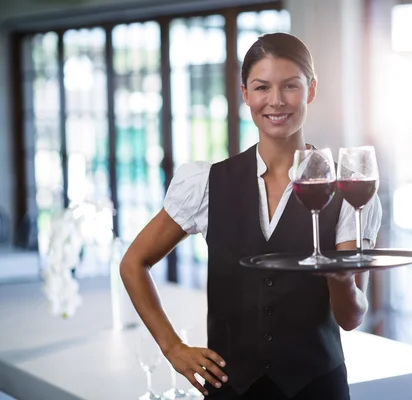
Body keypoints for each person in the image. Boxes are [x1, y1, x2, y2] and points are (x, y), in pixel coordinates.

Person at [120, 32, 382, 400]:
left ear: (310, 89)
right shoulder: (206, 183)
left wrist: (340, 280)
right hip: (229, 390)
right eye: (262, 87)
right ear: (244, 94)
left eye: (290, 86)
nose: (276, 101)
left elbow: (351, 318)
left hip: (316, 389)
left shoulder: (348, 191)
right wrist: (173, 348)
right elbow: (133, 263)